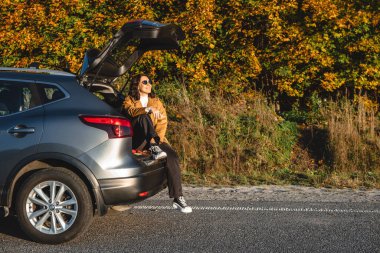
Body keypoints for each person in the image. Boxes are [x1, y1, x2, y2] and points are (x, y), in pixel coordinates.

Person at [123, 74, 192, 213]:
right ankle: (154, 147)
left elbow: (162, 122)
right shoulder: (129, 100)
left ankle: (178, 197)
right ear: (137, 85)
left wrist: (156, 141)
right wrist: (147, 110)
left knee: (172, 157)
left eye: (150, 82)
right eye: (145, 82)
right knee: (143, 117)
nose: (149, 84)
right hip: (138, 139)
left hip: (155, 139)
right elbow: (130, 111)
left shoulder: (156, 102)